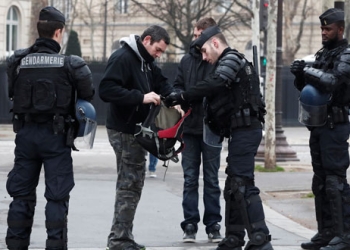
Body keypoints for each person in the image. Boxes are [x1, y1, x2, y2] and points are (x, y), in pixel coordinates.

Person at [164, 25, 273, 250]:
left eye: (204, 51)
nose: (204, 57)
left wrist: (183, 94)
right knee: (233, 185)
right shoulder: (224, 62)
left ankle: (260, 238)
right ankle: (234, 237)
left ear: (215, 43)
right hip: (237, 132)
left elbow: (215, 83)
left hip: (246, 130)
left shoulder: (231, 59)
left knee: (243, 184)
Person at [5, 6, 95, 250]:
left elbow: (12, 94)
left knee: (21, 195)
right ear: (59, 32)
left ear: (39, 30)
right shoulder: (71, 64)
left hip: (25, 136)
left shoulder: (17, 61)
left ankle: (15, 245)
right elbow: (88, 95)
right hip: (56, 138)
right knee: (56, 196)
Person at [99, 25, 174, 250]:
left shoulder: (146, 62)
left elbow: (162, 82)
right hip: (123, 130)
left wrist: (173, 97)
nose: (158, 55)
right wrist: (140, 97)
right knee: (129, 184)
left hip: (134, 130)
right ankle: (119, 240)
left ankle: (123, 236)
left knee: (133, 184)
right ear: (147, 40)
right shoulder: (123, 58)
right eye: (158, 50)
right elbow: (106, 90)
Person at [290, 8, 350, 250]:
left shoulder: (346, 54)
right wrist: (299, 75)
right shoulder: (324, 54)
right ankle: (325, 232)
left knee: (335, 180)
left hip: (336, 125)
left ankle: (344, 235)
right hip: (318, 124)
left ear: (340, 29)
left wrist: (307, 71)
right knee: (321, 180)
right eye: (322, 28)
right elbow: (312, 88)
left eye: (328, 28)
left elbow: (333, 82)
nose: (324, 32)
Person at [172, 17, 223, 243]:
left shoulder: (218, 59)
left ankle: (213, 224)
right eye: (194, 35)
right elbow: (177, 85)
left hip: (211, 126)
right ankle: (190, 224)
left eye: (197, 34)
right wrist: (179, 101)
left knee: (211, 179)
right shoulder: (186, 61)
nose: (194, 38)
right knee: (190, 178)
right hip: (191, 128)